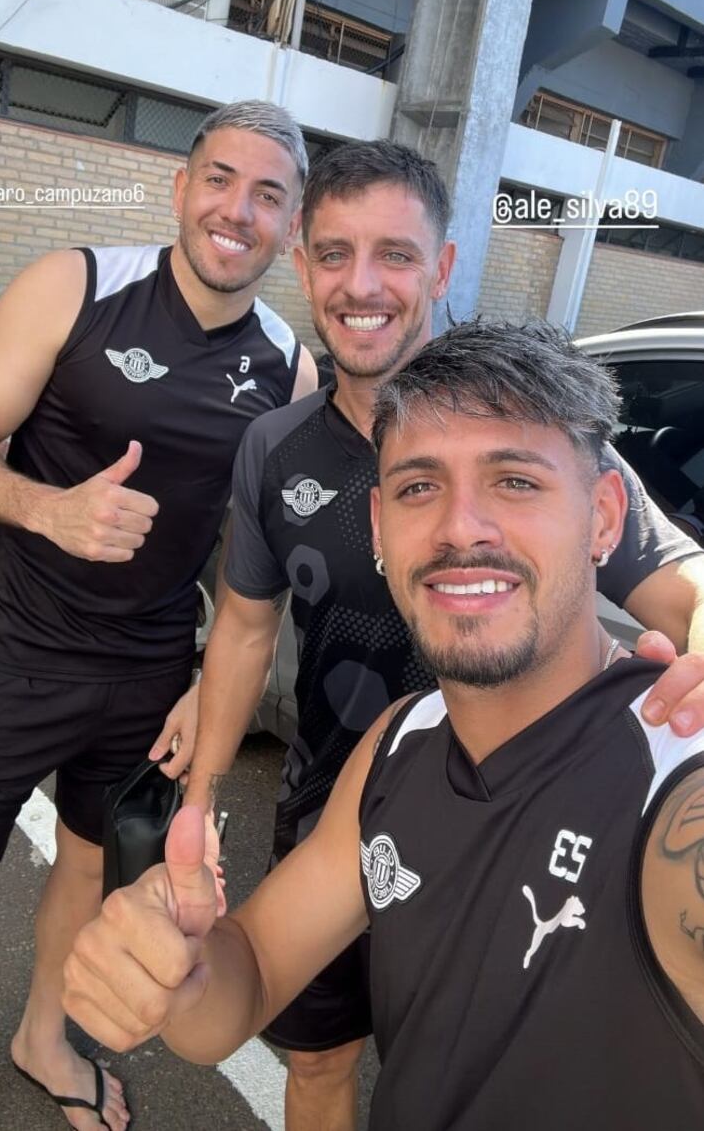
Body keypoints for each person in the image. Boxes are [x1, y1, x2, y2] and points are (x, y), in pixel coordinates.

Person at [63, 319, 704, 1131]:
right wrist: (180, 972)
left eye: (515, 481)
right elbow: (250, 978)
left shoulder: (675, 774)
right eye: (418, 487)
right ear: (377, 528)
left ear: (606, 518)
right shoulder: (402, 741)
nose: (460, 528)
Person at [180, 139, 704, 1131]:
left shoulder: (538, 416)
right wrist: (200, 798)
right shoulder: (273, 447)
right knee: (332, 1060)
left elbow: (680, 581)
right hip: (351, 812)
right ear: (301, 265)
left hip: (554, 816)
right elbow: (244, 634)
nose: (361, 284)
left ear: (443, 267)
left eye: (394, 254)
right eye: (333, 254)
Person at [0, 100, 315, 1131]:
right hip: (13, 649)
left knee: (92, 869)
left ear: (289, 225)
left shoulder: (289, 368)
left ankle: (40, 1037)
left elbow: (256, 562)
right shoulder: (77, 285)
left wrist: (206, 681)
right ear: (182, 188)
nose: (238, 209)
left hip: (147, 668)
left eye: (268, 195)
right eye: (221, 179)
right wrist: (45, 506)